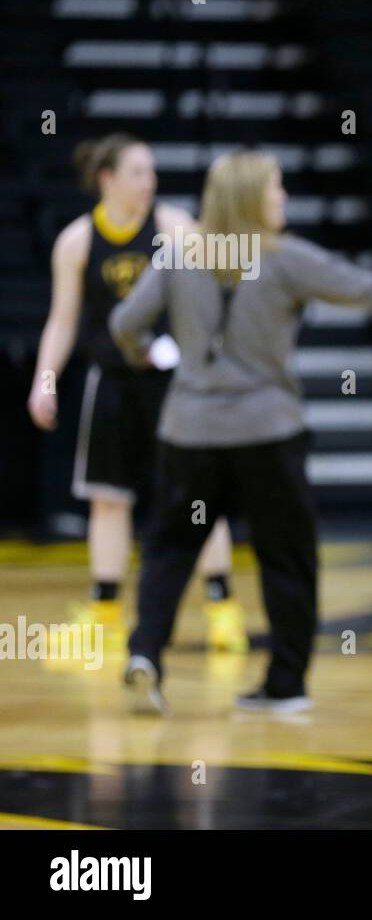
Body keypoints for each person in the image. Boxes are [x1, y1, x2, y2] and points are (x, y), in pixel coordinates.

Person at [109, 149, 372, 714]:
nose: (283, 197)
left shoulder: (176, 255)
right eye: (275, 188)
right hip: (268, 432)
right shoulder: (285, 258)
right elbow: (371, 289)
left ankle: (146, 655)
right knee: (286, 556)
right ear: (250, 199)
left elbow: (123, 325)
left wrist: (144, 354)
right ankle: (285, 684)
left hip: (189, 431)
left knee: (169, 549)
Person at [26, 134, 239, 655]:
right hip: (113, 383)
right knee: (107, 499)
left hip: (174, 382)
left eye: (152, 172)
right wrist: (44, 380)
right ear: (108, 179)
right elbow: (61, 321)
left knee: (199, 497)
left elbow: (223, 286)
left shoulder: (174, 227)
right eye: (139, 172)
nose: (151, 182)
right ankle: (102, 618)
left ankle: (223, 609)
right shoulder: (77, 241)